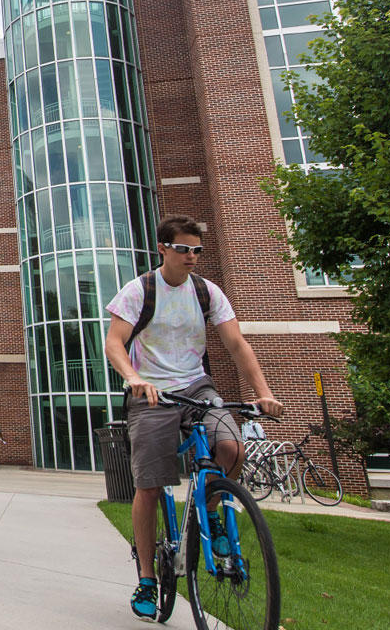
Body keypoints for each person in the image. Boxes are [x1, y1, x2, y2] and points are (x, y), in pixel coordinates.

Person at [103, 215, 284, 621]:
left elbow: (236, 344)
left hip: (197, 386)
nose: (191, 257)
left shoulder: (207, 292)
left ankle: (214, 511)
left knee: (231, 448)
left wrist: (264, 393)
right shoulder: (140, 290)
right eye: (183, 249)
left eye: (197, 250)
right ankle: (148, 579)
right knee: (149, 484)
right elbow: (114, 343)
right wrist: (133, 378)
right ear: (163, 249)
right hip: (151, 392)